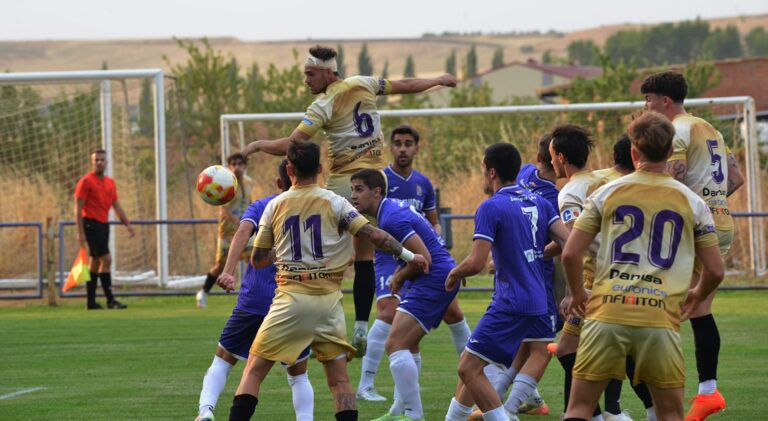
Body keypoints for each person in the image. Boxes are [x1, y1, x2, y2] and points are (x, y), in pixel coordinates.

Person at [239, 45, 457, 355]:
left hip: (345, 183)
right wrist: (438, 79)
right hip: (374, 182)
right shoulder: (364, 83)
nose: (306, 80)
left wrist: (259, 144)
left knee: (321, 252)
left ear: (328, 72)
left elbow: (292, 145)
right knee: (364, 256)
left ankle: (312, 320)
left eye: (310, 74)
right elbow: (407, 86)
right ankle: (360, 327)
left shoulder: (323, 105)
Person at [223, 141, 428, 421]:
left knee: (254, 371)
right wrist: (410, 254)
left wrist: (283, 253)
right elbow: (375, 235)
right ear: (320, 169)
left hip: (290, 299)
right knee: (340, 383)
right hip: (328, 303)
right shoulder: (337, 203)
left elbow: (257, 259)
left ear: (290, 170)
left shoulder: (274, 206)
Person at [560, 111, 725, 421]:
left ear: (634, 152)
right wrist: (697, 293)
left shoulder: (605, 193)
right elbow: (715, 271)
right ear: (669, 152)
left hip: (606, 312)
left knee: (579, 410)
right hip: (659, 317)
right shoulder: (693, 202)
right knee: (669, 414)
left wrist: (579, 293)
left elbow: (570, 254)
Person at [640, 71, 744, 421]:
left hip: (694, 227)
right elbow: (737, 177)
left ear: (664, 101)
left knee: (654, 305)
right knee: (697, 308)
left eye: (648, 100)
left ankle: (662, 400)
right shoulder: (709, 128)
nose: (645, 107)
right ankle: (707, 392)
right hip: (721, 223)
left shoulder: (678, 130)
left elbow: (675, 174)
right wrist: (711, 203)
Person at [444, 143, 569, 421]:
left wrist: (454, 273)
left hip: (510, 301)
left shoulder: (491, 207)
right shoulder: (541, 201)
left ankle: (503, 416)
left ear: (491, 172)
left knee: (467, 367)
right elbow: (569, 243)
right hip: (539, 301)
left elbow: (476, 263)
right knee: (477, 363)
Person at [355, 126, 471, 403]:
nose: (403, 148)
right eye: (398, 144)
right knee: (388, 311)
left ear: (417, 148)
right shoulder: (379, 180)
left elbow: (431, 220)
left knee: (452, 313)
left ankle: (474, 371)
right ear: (391, 148)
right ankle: (366, 384)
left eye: (409, 144)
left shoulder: (423, 183)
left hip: (421, 256)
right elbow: (374, 228)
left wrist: (436, 240)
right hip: (390, 256)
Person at [194, 160, 314, 421]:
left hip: (256, 300)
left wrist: (227, 271)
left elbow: (241, 232)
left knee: (223, 360)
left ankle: (205, 411)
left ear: (279, 183)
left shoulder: (263, 205)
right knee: (298, 373)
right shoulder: (316, 207)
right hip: (296, 302)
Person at [349, 169, 459, 421]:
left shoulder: (390, 219)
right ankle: (399, 410)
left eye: (358, 189)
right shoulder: (389, 210)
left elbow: (424, 260)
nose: (353, 196)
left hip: (433, 278)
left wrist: (399, 276)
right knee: (408, 344)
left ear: (376, 191)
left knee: (394, 344)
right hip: (436, 276)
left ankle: (413, 414)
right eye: (352, 189)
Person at [472, 132, 561, 420]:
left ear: (537, 157)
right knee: (534, 348)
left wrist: (526, 252)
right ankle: (503, 406)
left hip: (519, 285)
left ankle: (500, 409)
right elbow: (567, 242)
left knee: (475, 362)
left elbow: (476, 262)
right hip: (533, 284)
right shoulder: (550, 197)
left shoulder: (525, 176)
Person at [74, 149, 134, 310]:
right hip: (90, 224)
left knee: (95, 262)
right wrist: (80, 232)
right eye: (96, 160)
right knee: (106, 260)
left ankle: (91, 302)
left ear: (107, 162)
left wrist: (127, 223)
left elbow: (116, 205)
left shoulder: (110, 182)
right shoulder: (86, 181)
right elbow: (78, 209)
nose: (99, 162)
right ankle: (110, 300)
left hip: (103, 225)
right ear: (92, 162)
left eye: (102, 160)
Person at [196, 153, 253, 308]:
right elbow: (224, 209)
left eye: (240, 164)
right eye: (233, 164)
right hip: (228, 231)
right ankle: (204, 292)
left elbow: (250, 202)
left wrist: (252, 219)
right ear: (229, 167)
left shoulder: (249, 183)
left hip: (246, 229)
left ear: (245, 166)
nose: (237, 167)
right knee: (221, 265)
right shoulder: (226, 184)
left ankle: (250, 293)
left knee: (253, 259)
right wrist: (237, 221)